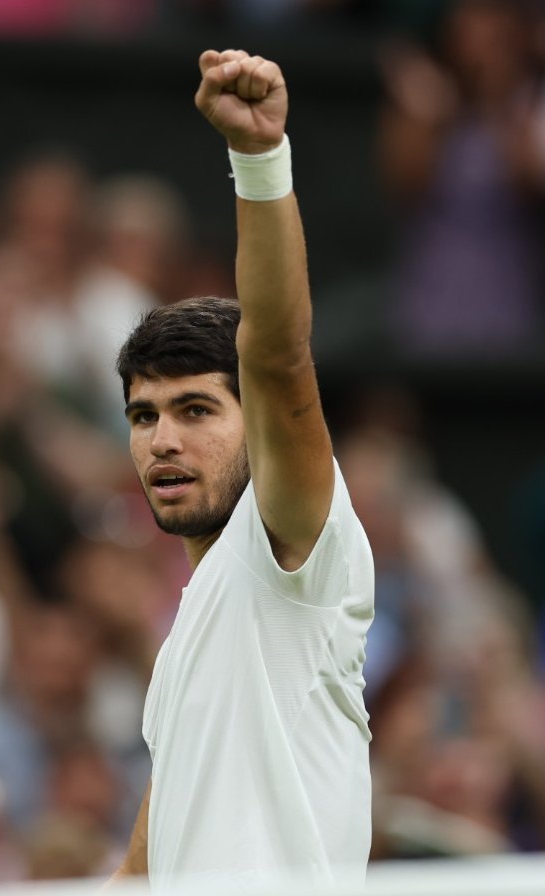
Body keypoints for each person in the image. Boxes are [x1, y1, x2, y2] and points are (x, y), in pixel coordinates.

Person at [109, 49, 375, 888]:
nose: (161, 441)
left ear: (256, 424)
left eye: (196, 411)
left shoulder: (294, 546)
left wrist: (259, 160)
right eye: (144, 416)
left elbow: (280, 358)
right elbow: (154, 849)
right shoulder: (201, 626)